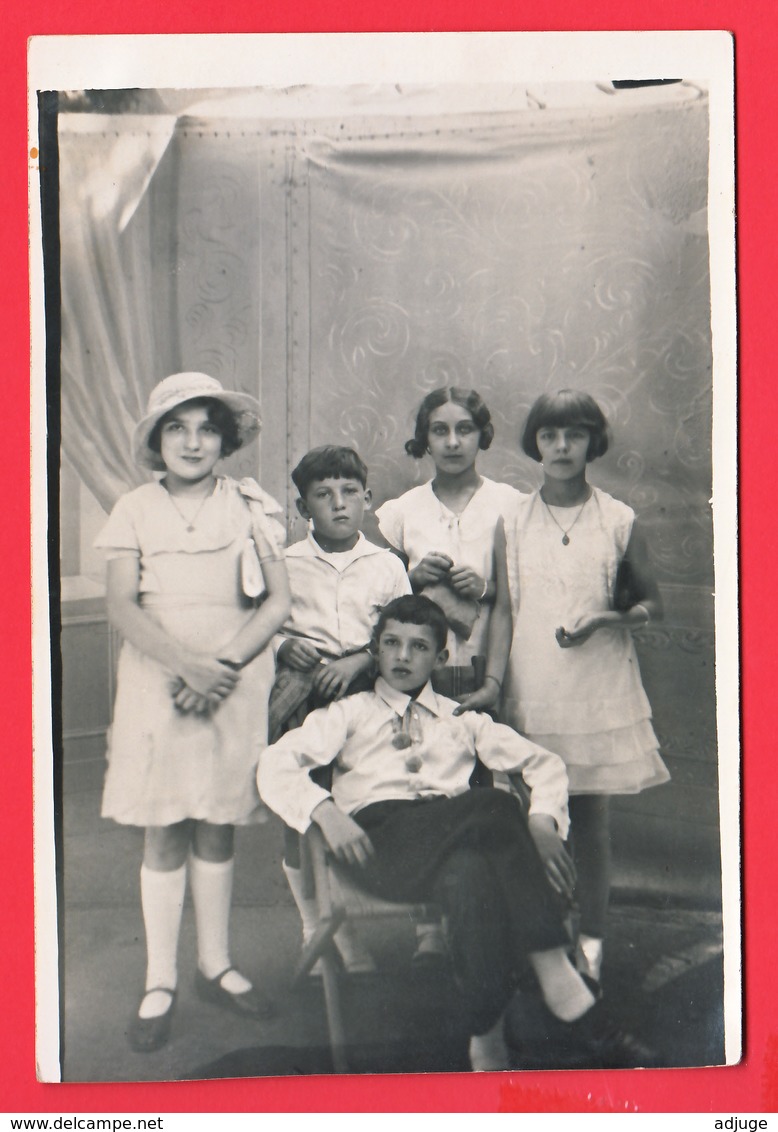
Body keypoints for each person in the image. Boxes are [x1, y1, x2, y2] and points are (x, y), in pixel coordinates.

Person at [257, 595, 658, 1072]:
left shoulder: (461, 718)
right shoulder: (349, 713)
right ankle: (558, 977)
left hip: (453, 849)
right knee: (492, 804)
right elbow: (274, 763)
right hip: (379, 848)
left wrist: (542, 819)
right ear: (376, 650)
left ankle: (485, 1045)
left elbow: (544, 765)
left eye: (419, 647)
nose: (403, 656)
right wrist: (323, 811)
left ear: (441, 658)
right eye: (391, 644)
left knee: (470, 874)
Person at [95, 372, 291, 1053]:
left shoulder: (250, 506)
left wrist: (223, 668)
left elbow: (277, 604)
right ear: (156, 438)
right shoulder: (133, 509)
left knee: (216, 821)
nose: (193, 440)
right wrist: (187, 667)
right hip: (159, 683)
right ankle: (160, 979)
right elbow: (123, 607)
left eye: (207, 427)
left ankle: (216, 964)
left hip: (234, 683)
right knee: (165, 827)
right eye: (177, 427)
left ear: (225, 439)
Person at [500, 389, 670, 986]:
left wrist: (607, 618)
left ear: (592, 442)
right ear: (535, 443)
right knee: (536, 821)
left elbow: (652, 604)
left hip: (597, 687)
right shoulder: (513, 518)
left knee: (590, 823)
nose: (562, 447)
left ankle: (591, 944)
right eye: (550, 435)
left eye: (574, 435)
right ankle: (545, 943)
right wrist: (498, 685)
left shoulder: (618, 518)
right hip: (532, 682)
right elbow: (502, 611)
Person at [375, 387, 522, 961]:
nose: (453, 441)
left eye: (464, 429)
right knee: (422, 789)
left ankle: (486, 923)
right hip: (418, 680)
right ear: (425, 437)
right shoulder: (400, 512)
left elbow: (514, 603)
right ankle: (428, 927)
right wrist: (410, 578)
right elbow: (378, 599)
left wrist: (495, 678)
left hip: (483, 668)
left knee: (484, 791)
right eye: (440, 430)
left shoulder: (510, 504)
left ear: (482, 435)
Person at [268, 444, 411, 973]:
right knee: (303, 810)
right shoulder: (283, 563)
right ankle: (321, 929)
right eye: (323, 495)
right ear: (303, 509)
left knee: (364, 803)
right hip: (301, 700)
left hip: (367, 697)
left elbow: (404, 634)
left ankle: (386, 922)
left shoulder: (387, 566)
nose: (339, 503)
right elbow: (258, 629)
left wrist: (358, 662)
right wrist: (284, 647)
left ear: (368, 499)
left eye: (349, 492)